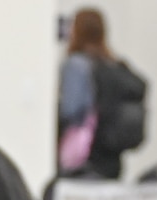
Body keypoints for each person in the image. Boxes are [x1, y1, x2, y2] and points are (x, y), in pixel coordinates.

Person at [57, 7, 150, 181]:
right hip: (112, 157)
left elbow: (71, 109)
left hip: (83, 156)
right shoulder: (114, 64)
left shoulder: (76, 65)